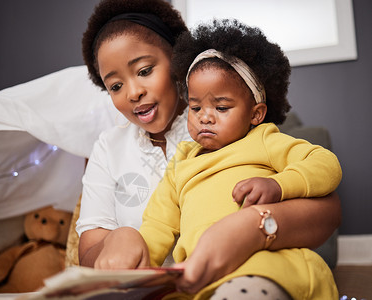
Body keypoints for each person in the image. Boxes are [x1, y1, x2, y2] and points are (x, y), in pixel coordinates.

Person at [76, 0, 341, 297]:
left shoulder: (255, 136)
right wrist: (127, 245)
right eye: (115, 86)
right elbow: (157, 225)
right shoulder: (180, 162)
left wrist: (273, 192)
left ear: (177, 66)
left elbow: (323, 179)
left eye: (145, 70)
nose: (134, 92)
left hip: (261, 268)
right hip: (191, 285)